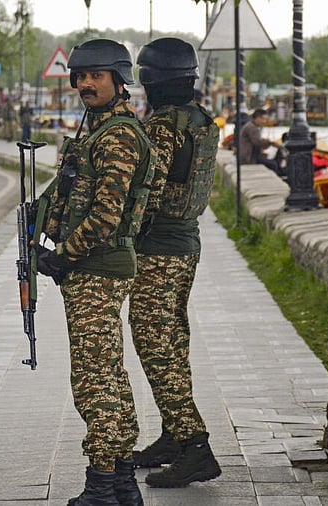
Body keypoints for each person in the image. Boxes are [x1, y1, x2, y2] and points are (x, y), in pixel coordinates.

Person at [34, 38, 155, 506]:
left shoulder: (118, 134)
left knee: (94, 380)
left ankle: (102, 484)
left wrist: (63, 255)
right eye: (80, 77)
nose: (85, 83)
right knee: (109, 373)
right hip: (96, 268)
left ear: (118, 81)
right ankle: (122, 482)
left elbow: (106, 215)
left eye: (96, 76)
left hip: (97, 269)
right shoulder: (97, 130)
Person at [129, 36, 222, 488]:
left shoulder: (163, 126)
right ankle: (171, 435)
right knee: (173, 338)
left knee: (154, 342)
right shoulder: (203, 121)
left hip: (159, 249)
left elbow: (146, 191)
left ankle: (195, 445)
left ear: (150, 80)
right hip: (187, 245)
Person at [238, 108, 281, 176]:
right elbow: (257, 142)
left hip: (251, 155)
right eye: (263, 119)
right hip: (249, 158)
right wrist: (271, 143)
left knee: (271, 161)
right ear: (257, 118)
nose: (264, 122)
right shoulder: (252, 127)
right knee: (274, 165)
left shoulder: (252, 125)